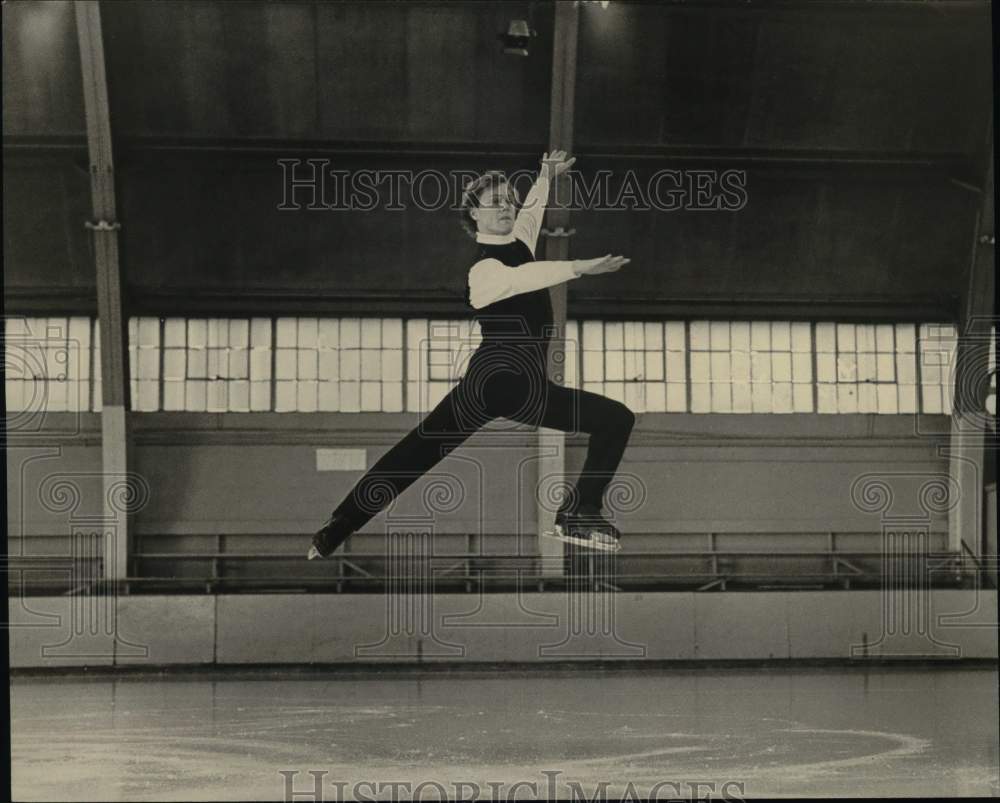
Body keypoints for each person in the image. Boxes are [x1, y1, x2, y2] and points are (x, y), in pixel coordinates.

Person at [309, 151, 635, 559]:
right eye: (494, 202)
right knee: (419, 450)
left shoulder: (519, 242)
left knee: (615, 419)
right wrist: (580, 267)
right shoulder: (484, 270)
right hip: (496, 382)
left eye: (508, 201)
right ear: (474, 215)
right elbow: (526, 277)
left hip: (524, 386)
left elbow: (531, 214)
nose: (505, 207)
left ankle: (578, 512)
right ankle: (340, 525)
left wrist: (546, 176)